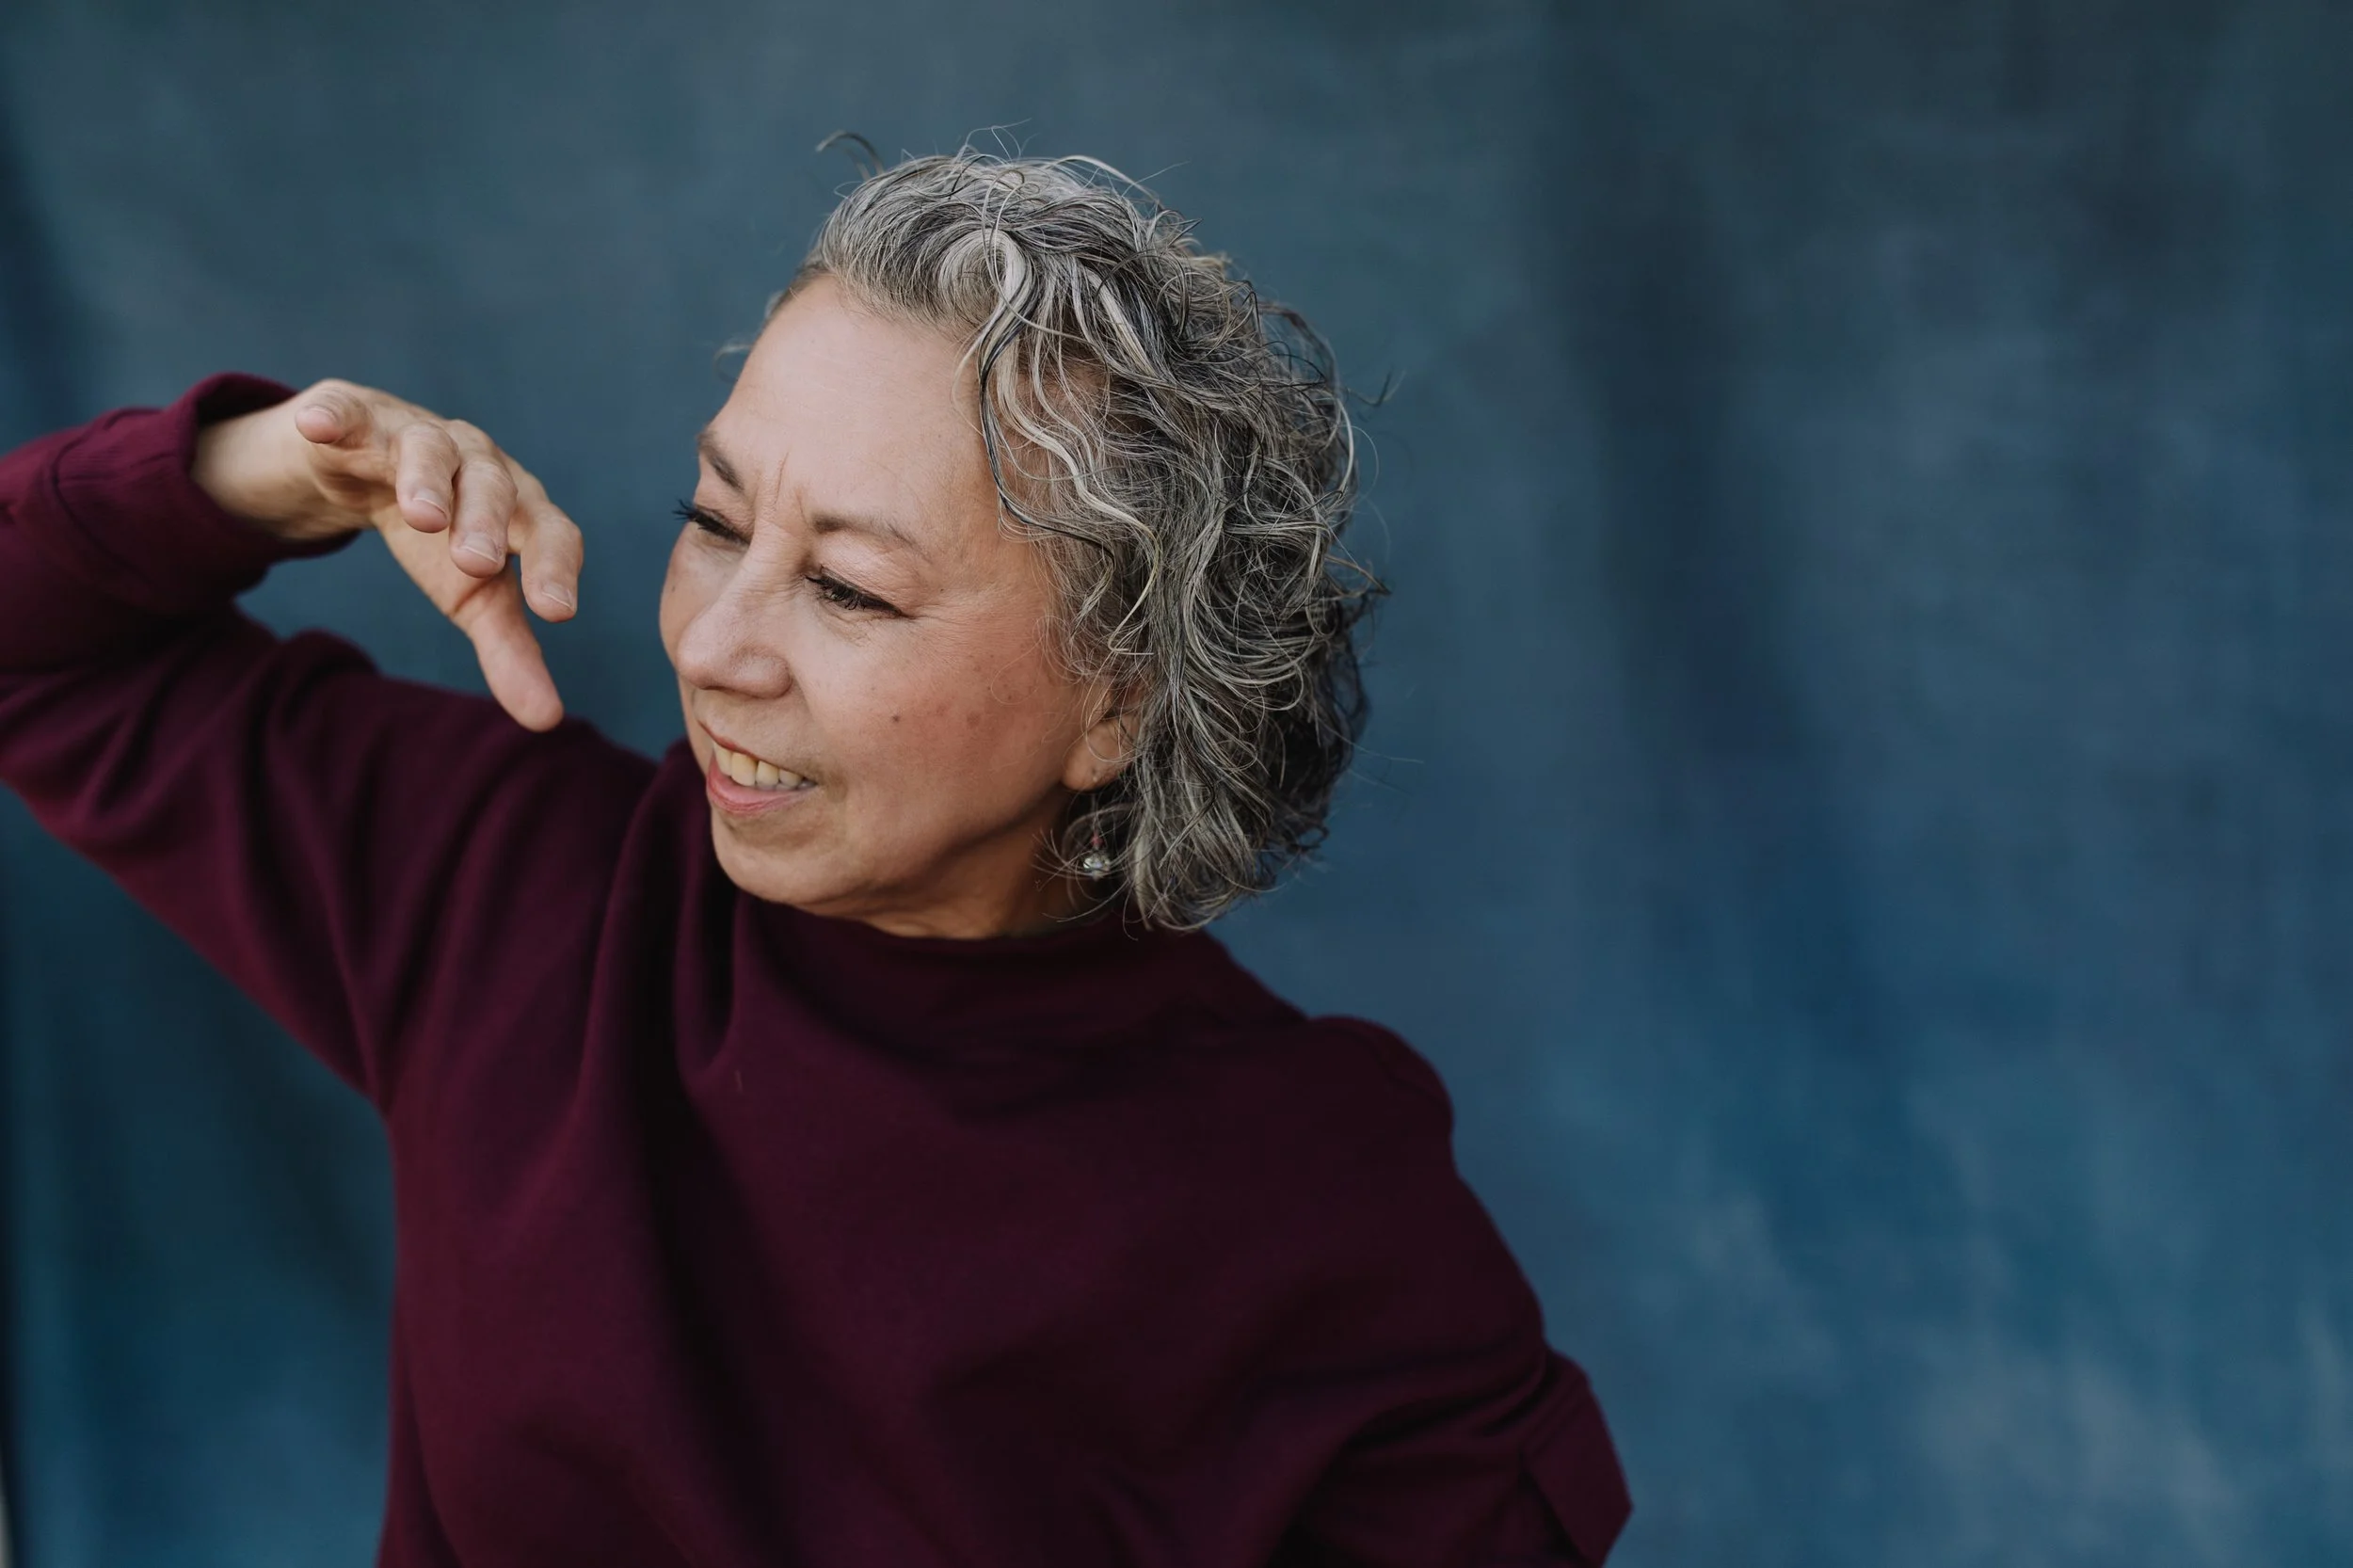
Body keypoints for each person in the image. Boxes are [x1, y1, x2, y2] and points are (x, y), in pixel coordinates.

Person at [0, 151, 1629, 1564]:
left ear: (1121, 701)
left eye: (846, 588)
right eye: (716, 520)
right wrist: (270, 473)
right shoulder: (512, 887)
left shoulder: (1319, 1199)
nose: (713, 643)